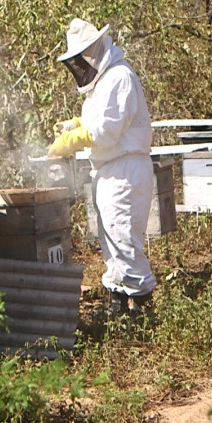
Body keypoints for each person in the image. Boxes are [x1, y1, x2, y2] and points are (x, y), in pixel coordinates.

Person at [48, 18, 156, 317]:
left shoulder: (119, 77)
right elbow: (101, 121)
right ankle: (118, 307)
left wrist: (74, 139)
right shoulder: (105, 83)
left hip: (124, 171)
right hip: (110, 171)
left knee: (123, 240)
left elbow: (107, 132)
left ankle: (144, 310)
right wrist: (76, 125)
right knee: (113, 243)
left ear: (91, 53)